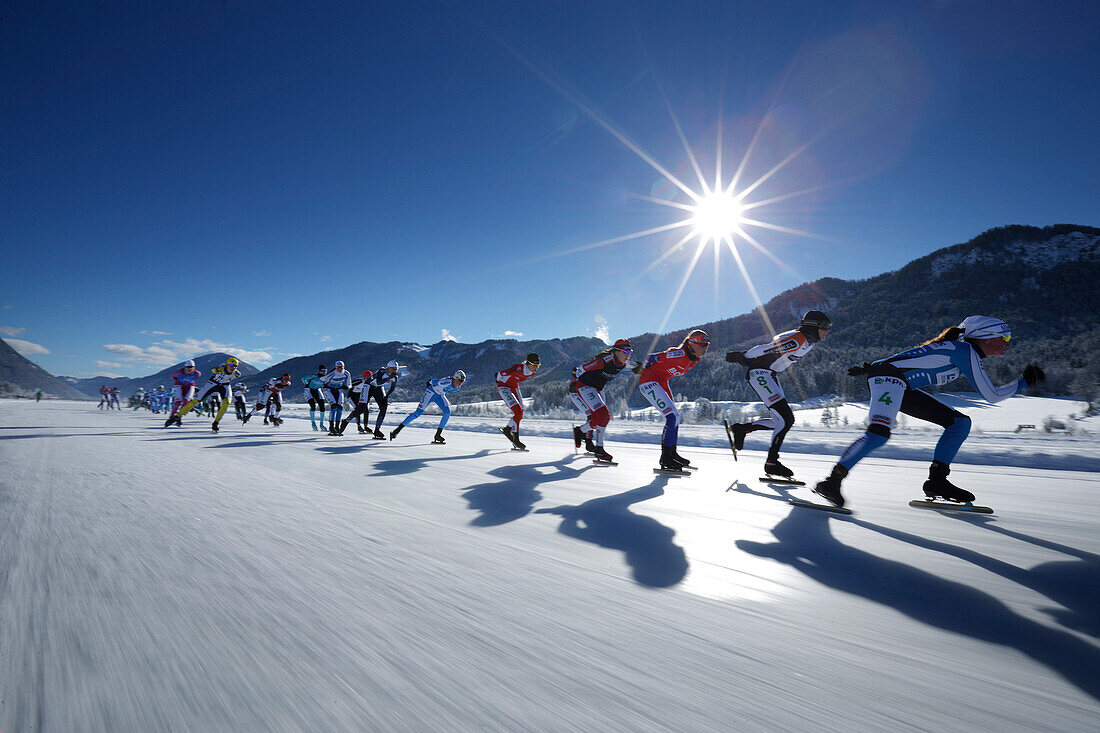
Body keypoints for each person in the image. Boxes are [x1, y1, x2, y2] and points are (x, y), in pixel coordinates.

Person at [813, 315, 1045, 508]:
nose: (1008, 343)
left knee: (959, 423)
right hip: (890, 379)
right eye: (1004, 337)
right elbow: (991, 395)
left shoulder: (960, 348)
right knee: (878, 434)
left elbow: (914, 356)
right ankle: (831, 481)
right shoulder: (965, 350)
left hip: (897, 381)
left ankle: (937, 482)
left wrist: (872, 366)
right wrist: (1025, 381)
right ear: (985, 337)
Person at [725, 310, 832, 479]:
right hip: (760, 374)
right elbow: (766, 348)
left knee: (779, 421)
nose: (828, 331)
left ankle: (742, 429)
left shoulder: (807, 340)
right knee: (786, 419)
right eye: (826, 327)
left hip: (770, 375)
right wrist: (743, 357)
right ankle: (772, 463)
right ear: (813, 327)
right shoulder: (798, 340)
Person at [638, 330, 711, 471]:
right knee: (672, 417)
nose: (705, 348)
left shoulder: (695, 359)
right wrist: (642, 366)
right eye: (702, 345)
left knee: (675, 419)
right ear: (692, 344)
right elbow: (652, 357)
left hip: (662, 381)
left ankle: (672, 453)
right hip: (649, 382)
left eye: (706, 345)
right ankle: (665, 457)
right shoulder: (680, 354)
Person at [574, 339, 639, 463]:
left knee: (597, 419)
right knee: (604, 415)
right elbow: (582, 368)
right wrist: (577, 375)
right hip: (585, 386)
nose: (628, 354)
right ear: (616, 351)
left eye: (630, 351)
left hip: (597, 389)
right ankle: (599, 449)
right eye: (625, 351)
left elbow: (633, 365)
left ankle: (580, 431)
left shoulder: (623, 361)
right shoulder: (604, 360)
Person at [165, 357, 241, 432]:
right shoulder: (218, 370)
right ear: (227, 365)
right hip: (212, 384)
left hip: (225, 386)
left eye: (235, 366)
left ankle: (216, 423)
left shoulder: (237, 374)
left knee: (227, 403)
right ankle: (176, 417)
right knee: (195, 401)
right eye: (231, 366)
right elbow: (213, 370)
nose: (233, 368)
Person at [390, 370, 466, 444]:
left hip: (439, 395)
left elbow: (445, 391)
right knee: (418, 413)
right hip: (430, 393)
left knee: (447, 412)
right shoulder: (446, 381)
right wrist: (429, 382)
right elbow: (433, 381)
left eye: (463, 381)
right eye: (460, 381)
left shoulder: (458, 387)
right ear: (455, 378)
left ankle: (438, 435)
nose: (461, 383)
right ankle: (396, 431)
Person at [496, 353, 540, 449]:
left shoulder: (532, 373)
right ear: (528, 363)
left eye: (538, 366)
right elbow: (502, 373)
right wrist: (498, 377)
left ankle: (508, 429)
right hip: (504, 387)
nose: (536, 368)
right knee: (517, 411)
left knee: (521, 411)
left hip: (514, 387)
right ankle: (516, 440)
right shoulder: (518, 368)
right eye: (534, 365)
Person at [365, 360, 401, 439]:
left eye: (396, 369)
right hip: (369, 386)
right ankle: (345, 422)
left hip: (378, 388)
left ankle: (377, 430)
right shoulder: (382, 372)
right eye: (393, 368)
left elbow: (392, 388)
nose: (394, 371)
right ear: (388, 368)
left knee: (384, 408)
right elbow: (378, 382)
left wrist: (386, 396)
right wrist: (389, 377)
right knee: (361, 409)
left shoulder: (395, 376)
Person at [569, 369, 597, 454]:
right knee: (592, 416)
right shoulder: (584, 372)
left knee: (594, 416)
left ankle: (584, 435)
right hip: (576, 394)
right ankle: (587, 440)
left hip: (581, 393)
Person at [322, 361, 353, 436]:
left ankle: (337, 426)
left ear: (343, 367)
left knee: (339, 407)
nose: (339, 369)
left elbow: (349, 384)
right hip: (328, 390)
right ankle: (331, 427)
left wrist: (347, 387)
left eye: (341, 367)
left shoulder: (346, 373)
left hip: (339, 390)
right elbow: (323, 379)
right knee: (333, 407)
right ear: (335, 367)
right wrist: (325, 385)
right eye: (338, 367)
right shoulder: (332, 373)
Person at [166, 360, 202, 425]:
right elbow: (172, 376)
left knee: (187, 400)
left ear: (194, 367)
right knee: (178, 401)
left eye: (191, 367)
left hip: (190, 385)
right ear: (184, 367)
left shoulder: (197, 373)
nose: (189, 369)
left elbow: (196, 377)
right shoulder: (178, 373)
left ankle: (179, 416)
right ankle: (171, 416)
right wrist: (178, 381)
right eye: (188, 367)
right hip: (179, 385)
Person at [338, 370, 374, 435]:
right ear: (364, 377)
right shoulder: (359, 381)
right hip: (352, 396)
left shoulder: (371, 383)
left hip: (360, 396)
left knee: (366, 411)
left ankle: (366, 426)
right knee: (357, 410)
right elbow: (348, 384)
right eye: (366, 377)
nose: (368, 378)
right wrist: (341, 387)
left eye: (369, 377)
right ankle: (359, 426)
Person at [302, 365, 329, 431]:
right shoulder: (314, 376)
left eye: (325, 371)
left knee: (322, 406)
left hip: (317, 390)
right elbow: (303, 379)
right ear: (319, 371)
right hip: (309, 390)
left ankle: (322, 425)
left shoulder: (326, 378)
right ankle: (313, 424)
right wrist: (306, 384)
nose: (324, 372)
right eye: (322, 371)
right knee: (313, 405)